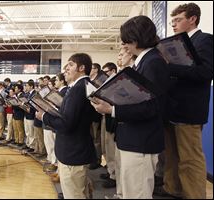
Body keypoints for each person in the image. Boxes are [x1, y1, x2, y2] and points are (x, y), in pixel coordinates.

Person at [91, 15, 169, 198]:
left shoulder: (153, 62)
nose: (124, 45)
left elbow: (152, 107)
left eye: (127, 40)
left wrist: (112, 110)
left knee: (137, 193)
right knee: (129, 191)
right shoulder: (144, 62)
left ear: (137, 38)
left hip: (141, 141)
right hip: (132, 139)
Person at [156, 3, 213, 199]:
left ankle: (195, 195)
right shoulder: (175, 43)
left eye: (178, 20)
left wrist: (170, 67)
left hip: (189, 110)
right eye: (172, 21)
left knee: (190, 159)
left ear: (193, 19)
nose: (173, 24)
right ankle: (172, 189)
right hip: (172, 108)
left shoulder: (204, 40)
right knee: (172, 156)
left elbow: (206, 72)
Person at [35, 53, 97, 199]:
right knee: (79, 191)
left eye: (70, 65)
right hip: (74, 150)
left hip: (73, 153)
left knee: (74, 194)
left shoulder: (78, 89)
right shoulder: (80, 87)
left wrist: (44, 116)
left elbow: (66, 124)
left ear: (81, 68)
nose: (65, 69)